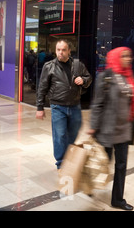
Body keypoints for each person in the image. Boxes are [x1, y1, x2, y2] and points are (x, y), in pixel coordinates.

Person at [88, 47, 134, 210]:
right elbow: (97, 104)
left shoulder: (129, 76)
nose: (128, 58)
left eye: (129, 56)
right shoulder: (106, 77)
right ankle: (89, 184)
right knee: (103, 163)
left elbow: (129, 98)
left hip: (124, 130)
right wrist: (93, 126)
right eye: (124, 56)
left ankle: (117, 200)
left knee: (121, 166)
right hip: (107, 129)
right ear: (116, 57)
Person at [36, 39, 92, 169]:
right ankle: (61, 163)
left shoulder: (78, 65)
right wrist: (40, 107)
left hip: (75, 105)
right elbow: (42, 87)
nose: (60, 53)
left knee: (73, 133)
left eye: (63, 50)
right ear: (55, 51)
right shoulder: (49, 66)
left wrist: (83, 80)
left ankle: (69, 157)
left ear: (69, 51)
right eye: (58, 50)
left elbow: (89, 78)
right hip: (58, 106)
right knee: (60, 135)